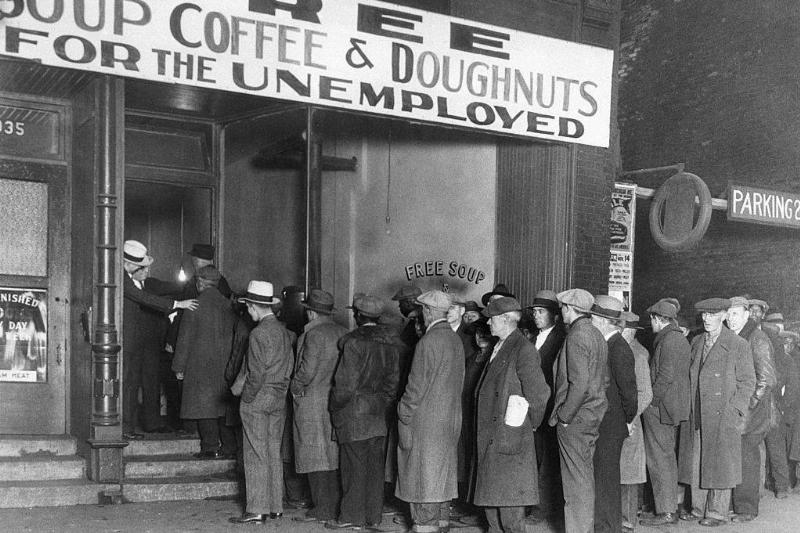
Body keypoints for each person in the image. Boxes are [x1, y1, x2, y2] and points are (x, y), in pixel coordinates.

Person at [472, 297, 549, 533]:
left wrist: (526, 425)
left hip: (508, 440)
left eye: (491, 319)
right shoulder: (501, 345)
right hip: (493, 438)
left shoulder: (523, 350)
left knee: (510, 517)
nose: (487, 324)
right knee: (493, 512)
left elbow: (539, 394)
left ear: (505, 320)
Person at [677, 298, 755, 527]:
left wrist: (735, 410)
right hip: (698, 412)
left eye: (712, 315)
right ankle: (698, 507)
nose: (706, 319)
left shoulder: (737, 344)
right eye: (703, 315)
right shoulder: (697, 341)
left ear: (723, 315)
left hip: (722, 415)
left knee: (721, 464)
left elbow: (748, 381)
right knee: (697, 461)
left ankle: (717, 512)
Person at [328, 295, 402, 530]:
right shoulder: (390, 346)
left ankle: (351, 517)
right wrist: (382, 405)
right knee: (374, 467)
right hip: (379, 414)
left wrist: (334, 406)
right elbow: (392, 385)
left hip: (354, 413)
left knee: (353, 467)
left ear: (358, 316)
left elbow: (345, 386)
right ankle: (373, 516)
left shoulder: (353, 344)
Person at [396, 290, 464, 533]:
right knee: (442, 481)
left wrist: (402, 413)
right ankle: (441, 525)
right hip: (449, 422)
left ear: (427, 312)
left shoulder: (427, 342)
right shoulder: (455, 340)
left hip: (425, 425)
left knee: (422, 482)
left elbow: (414, 389)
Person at [229, 281, 295, 524]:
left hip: (258, 399)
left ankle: (256, 508)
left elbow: (255, 374)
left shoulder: (258, 334)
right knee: (272, 452)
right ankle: (275, 506)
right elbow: (289, 368)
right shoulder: (285, 332)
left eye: (248, 307)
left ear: (255, 307)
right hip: (279, 399)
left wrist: (246, 398)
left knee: (255, 453)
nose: (247, 311)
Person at [121, 240, 197, 439]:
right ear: (128, 264)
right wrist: (177, 304)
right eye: (142, 267)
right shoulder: (121, 279)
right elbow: (143, 298)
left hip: (144, 343)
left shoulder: (133, 278)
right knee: (129, 384)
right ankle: (126, 428)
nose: (146, 271)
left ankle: (136, 426)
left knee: (143, 382)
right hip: (129, 343)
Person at [549, 288, 608, 533]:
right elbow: (600, 380)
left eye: (562, 307)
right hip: (592, 414)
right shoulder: (595, 333)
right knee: (583, 476)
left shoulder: (576, 335)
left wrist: (564, 416)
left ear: (570, 309)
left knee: (575, 482)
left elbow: (580, 383)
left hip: (575, 417)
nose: (561, 311)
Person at [289, 289, 348, 524]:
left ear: (311, 313)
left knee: (313, 454)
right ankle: (333, 504)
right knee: (332, 455)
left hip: (311, 400)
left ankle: (321, 507)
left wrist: (294, 387)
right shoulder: (343, 332)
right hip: (335, 400)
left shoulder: (312, 335)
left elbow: (306, 371)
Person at [171, 266, 237, 458]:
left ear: (200, 283)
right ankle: (229, 447)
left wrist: (178, 367)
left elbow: (184, 339)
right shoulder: (228, 305)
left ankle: (210, 447)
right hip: (225, 364)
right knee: (222, 407)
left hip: (199, 364)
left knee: (203, 406)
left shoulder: (194, 306)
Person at [589, 295, 638, 533]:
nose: (590, 321)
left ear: (604, 320)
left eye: (594, 317)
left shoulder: (619, 348)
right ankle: (603, 525)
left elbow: (629, 392)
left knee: (607, 479)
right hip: (605, 423)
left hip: (612, 425)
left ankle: (609, 528)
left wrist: (626, 420)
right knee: (601, 477)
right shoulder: (606, 344)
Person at [639, 298, 691, 527]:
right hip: (670, 408)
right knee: (665, 458)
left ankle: (667, 511)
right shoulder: (677, 338)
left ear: (658, 319)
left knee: (659, 460)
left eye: (652, 319)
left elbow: (665, 377)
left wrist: (651, 401)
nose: (651, 323)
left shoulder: (669, 341)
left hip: (661, 409)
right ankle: (666, 508)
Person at [727, 296, 776, 523]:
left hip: (752, 415)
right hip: (742, 412)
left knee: (747, 459)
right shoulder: (739, 336)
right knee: (739, 458)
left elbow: (767, 379)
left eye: (735, 314)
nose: (730, 318)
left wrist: (748, 405)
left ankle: (747, 508)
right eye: (728, 314)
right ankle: (739, 504)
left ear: (747, 314)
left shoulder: (756, 338)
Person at [619, 312, 653, 532]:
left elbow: (645, 393)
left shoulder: (638, 355)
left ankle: (627, 519)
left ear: (630, 331)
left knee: (629, 474)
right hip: (620, 420)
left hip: (630, 422)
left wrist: (629, 418)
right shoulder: (621, 349)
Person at [392, 285, 423, 350]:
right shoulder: (415, 320)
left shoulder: (424, 320)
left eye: (401, 303)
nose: (399, 306)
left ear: (409, 302)